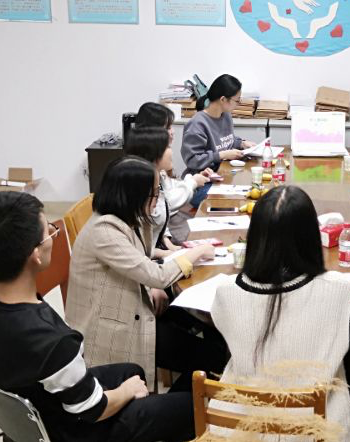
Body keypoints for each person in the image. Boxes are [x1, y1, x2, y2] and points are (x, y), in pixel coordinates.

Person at [0, 191, 195, 442]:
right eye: (48, 231)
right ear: (36, 255)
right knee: (189, 407)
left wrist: (0, 377)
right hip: (70, 432)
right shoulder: (52, 340)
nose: (52, 234)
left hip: (29, 416)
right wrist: (125, 392)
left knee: (133, 371)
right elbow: (94, 409)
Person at [211, 185, 350, 442]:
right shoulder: (337, 289)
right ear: (311, 238)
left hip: (243, 429)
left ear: (255, 237)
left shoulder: (226, 292)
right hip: (318, 431)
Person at [65, 156, 225, 392]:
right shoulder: (104, 230)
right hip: (117, 328)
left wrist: (166, 267)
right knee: (213, 356)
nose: (157, 199)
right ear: (133, 196)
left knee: (206, 327)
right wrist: (197, 252)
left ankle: (195, 391)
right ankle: (184, 403)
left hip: (137, 306)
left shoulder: (125, 219)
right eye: (154, 194)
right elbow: (156, 275)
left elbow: (140, 257)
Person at [124, 123, 210, 242]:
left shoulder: (160, 174)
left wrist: (193, 179)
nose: (171, 152)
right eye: (167, 147)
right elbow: (166, 206)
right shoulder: (142, 187)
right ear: (153, 152)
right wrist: (192, 182)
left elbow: (162, 215)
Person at [181, 74, 257, 207]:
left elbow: (226, 141)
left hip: (223, 175)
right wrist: (221, 155)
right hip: (202, 183)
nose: (238, 103)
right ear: (223, 99)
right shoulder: (197, 124)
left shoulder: (225, 116)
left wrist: (241, 143)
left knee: (252, 190)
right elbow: (192, 160)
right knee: (238, 202)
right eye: (237, 100)